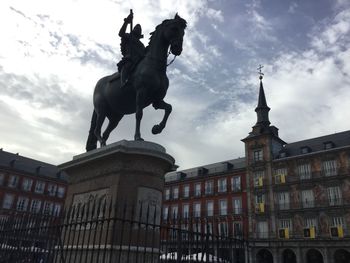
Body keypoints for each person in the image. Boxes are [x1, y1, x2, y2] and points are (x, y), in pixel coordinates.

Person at [115, 11, 146, 88]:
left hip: (140, 61)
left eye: (139, 29)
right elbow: (121, 33)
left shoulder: (142, 45)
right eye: (136, 27)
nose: (138, 29)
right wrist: (127, 22)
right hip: (130, 58)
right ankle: (123, 82)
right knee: (127, 65)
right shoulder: (128, 36)